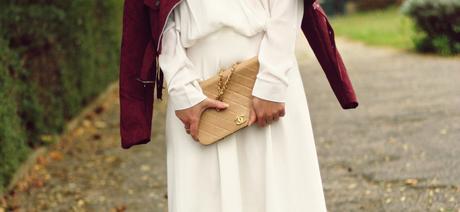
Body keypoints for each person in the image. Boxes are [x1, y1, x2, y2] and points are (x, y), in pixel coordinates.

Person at [158, 0, 328, 211]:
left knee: (278, 192)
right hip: (194, 78)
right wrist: (181, 88)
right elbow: (156, 14)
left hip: (266, 66)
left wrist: (272, 81)